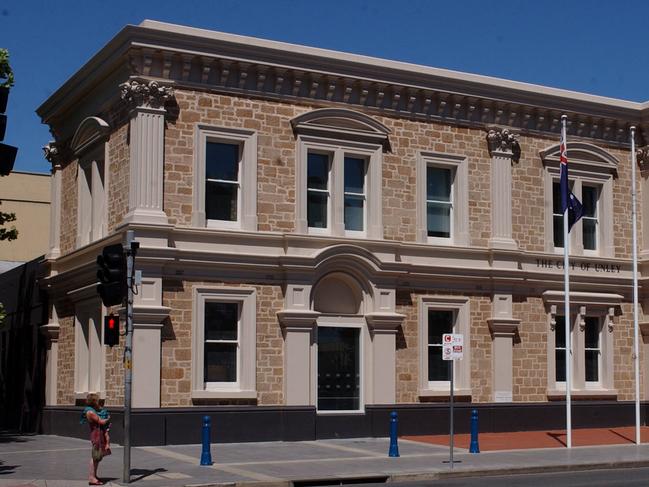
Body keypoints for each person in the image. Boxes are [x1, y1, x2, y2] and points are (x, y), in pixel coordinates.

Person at [80, 393, 109, 486]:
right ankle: (92, 478)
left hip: (97, 434)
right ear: (94, 401)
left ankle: (94, 475)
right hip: (96, 435)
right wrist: (108, 418)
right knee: (95, 457)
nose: (98, 401)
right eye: (97, 400)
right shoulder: (91, 412)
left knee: (97, 457)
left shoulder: (91, 410)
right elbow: (101, 421)